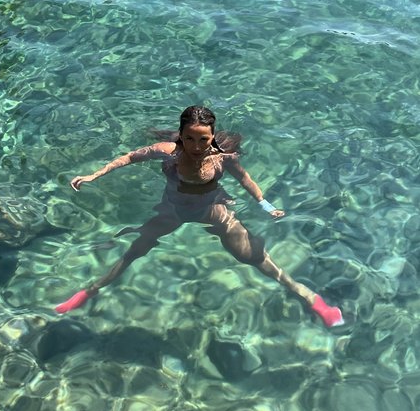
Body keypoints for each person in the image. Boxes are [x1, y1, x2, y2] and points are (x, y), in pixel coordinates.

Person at [55, 106, 343, 327]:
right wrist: (94, 175)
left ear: (212, 137)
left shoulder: (222, 158)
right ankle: (89, 292)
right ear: (180, 136)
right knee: (134, 251)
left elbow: (246, 180)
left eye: (203, 139)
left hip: (213, 209)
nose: (195, 146)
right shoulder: (167, 152)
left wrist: (266, 206)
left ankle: (311, 299)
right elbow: (130, 157)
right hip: (173, 209)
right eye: (189, 138)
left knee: (253, 256)